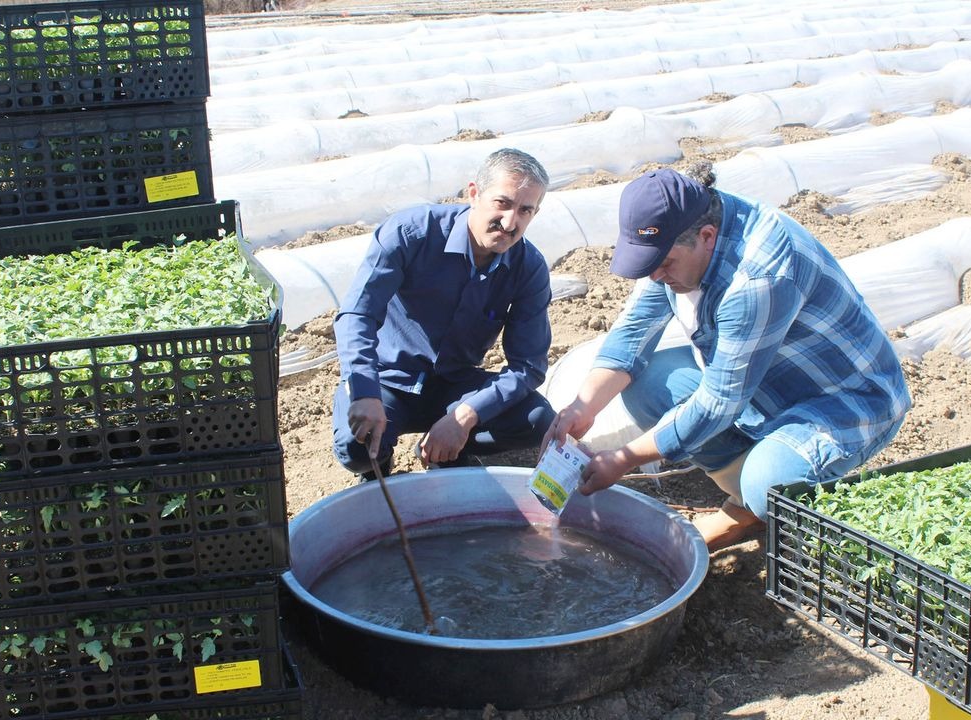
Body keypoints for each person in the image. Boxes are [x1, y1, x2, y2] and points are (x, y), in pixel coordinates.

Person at [545, 167, 911, 550]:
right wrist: (582, 408)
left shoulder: (758, 277)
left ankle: (757, 500)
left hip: (845, 401)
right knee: (649, 388)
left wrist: (624, 458)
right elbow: (636, 330)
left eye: (665, 264)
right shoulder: (683, 232)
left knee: (769, 484)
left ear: (706, 237)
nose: (656, 276)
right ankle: (747, 484)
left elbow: (720, 402)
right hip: (763, 382)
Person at [332, 148, 556, 478]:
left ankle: (447, 448)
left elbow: (528, 366)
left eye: (525, 210)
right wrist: (364, 390)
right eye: (502, 203)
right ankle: (379, 463)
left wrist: (465, 415)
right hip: (389, 378)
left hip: (454, 384)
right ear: (474, 194)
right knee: (357, 446)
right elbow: (357, 314)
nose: (511, 222)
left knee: (537, 420)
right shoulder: (411, 234)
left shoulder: (528, 268)